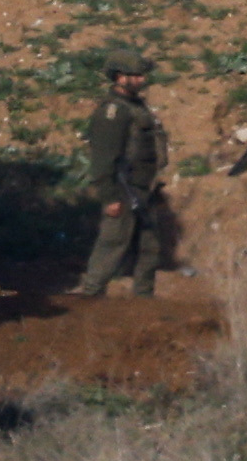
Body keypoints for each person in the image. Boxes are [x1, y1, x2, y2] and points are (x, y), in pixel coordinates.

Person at [75, 64, 174, 299]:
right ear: (120, 77)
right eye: (136, 75)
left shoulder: (137, 107)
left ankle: (143, 300)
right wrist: (109, 196)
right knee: (113, 243)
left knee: (149, 248)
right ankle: (91, 296)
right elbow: (103, 158)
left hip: (143, 188)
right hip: (123, 189)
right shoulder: (113, 111)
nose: (141, 79)